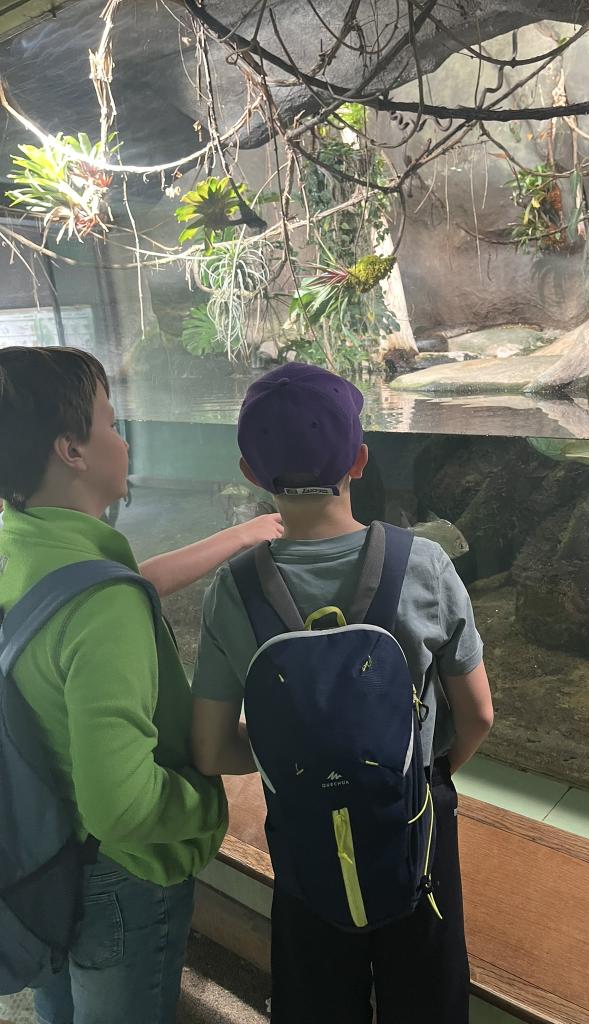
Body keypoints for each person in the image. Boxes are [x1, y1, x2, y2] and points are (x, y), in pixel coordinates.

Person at [191, 362, 494, 1024]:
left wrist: (300, 761)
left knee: (315, 1000)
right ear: (360, 459)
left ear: (251, 473)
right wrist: (418, 772)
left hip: (305, 846)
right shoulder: (425, 565)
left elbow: (211, 750)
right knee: (428, 999)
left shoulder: (232, 592)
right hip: (416, 832)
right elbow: (477, 714)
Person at [0, 345, 282, 1024]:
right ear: (72, 450)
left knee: (59, 1005)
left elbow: (112, 588)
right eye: (111, 422)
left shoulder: (25, 543)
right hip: (118, 878)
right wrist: (207, 807)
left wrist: (239, 535)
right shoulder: (104, 609)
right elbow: (122, 808)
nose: (123, 438)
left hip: (43, 852)